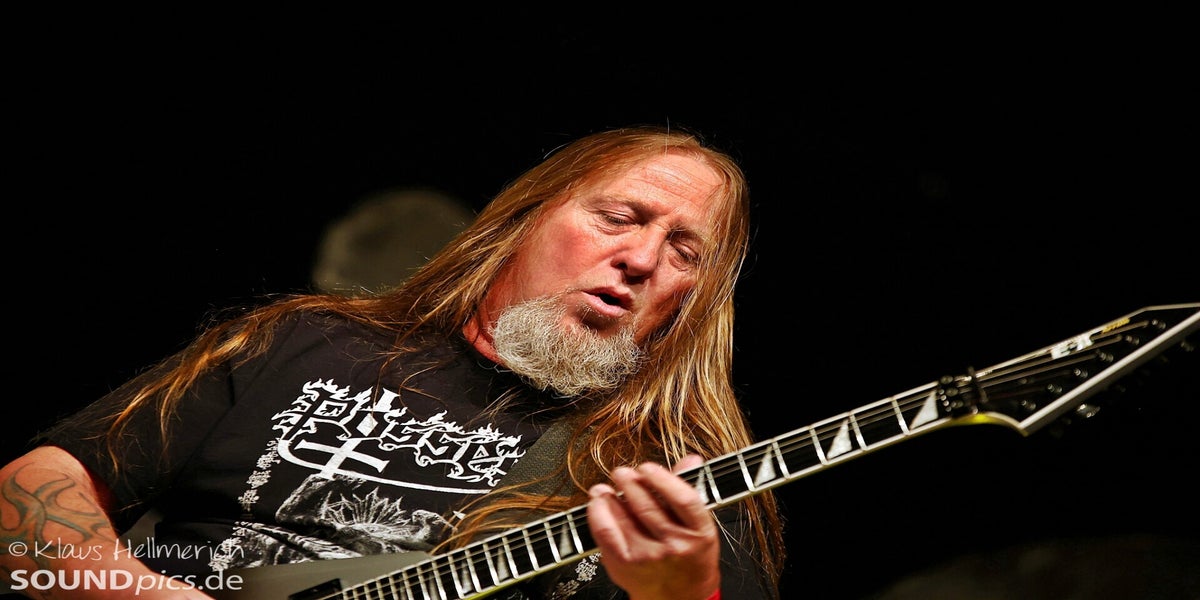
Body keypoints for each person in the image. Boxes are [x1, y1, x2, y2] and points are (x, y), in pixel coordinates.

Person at [0, 125, 785, 599]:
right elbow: (30, 487)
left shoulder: (680, 482)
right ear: (522, 222)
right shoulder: (305, 341)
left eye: (685, 252)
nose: (642, 259)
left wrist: (685, 590)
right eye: (620, 217)